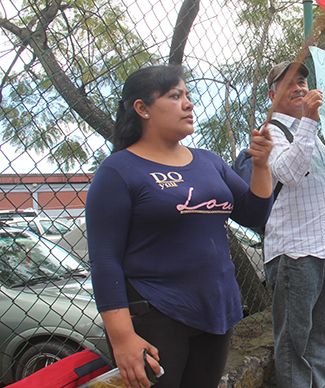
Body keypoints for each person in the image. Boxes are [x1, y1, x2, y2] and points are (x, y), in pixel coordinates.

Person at [86, 65, 274, 388]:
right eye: (175, 96)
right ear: (142, 108)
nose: (188, 104)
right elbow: (105, 261)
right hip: (157, 313)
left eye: (188, 95)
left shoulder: (208, 162)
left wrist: (261, 165)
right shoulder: (118, 171)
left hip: (216, 310)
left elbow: (255, 215)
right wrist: (122, 338)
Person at [262, 61, 325, 388]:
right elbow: (290, 173)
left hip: (323, 250)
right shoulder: (272, 131)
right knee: (294, 343)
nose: (299, 87)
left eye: (302, 81)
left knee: (322, 335)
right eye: (289, 84)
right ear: (272, 95)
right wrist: (310, 122)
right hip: (295, 254)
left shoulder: (312, 134)